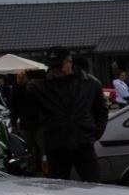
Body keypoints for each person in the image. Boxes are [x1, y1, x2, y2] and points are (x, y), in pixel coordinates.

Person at [28, 47, 108, 180]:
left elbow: (101, 110)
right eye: (52, 67)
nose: (56, 70)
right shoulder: (41, 85)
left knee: (93, 184)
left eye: (59, 66)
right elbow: (26, 109)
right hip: (56, 144)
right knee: (58, 188)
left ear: (69, 62)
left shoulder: (90, 83)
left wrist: (95, 132)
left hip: (83, 143)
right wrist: (20, 87)